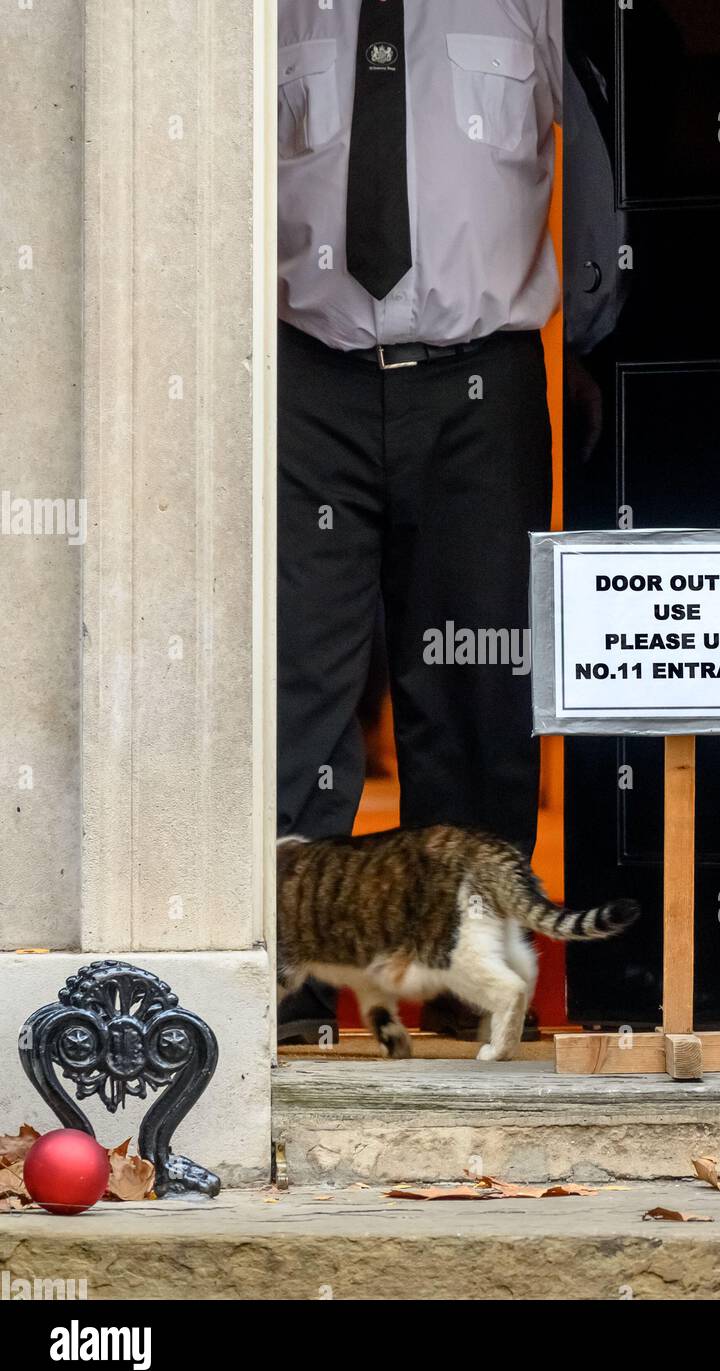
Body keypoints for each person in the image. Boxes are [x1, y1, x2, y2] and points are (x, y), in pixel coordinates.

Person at [278, 0, 562, 1037]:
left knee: (475, 687)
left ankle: (464, 998)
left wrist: (600, 322)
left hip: (479, 381)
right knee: (295, 683)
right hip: (304, 379)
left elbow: (609, 157)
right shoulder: (262, 14)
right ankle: (291, 997)